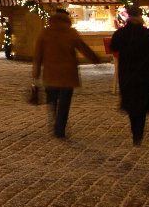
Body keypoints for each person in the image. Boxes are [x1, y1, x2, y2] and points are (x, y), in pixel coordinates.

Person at [32, 8, 100, 139]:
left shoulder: (45, 33)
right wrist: (95, 58)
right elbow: (83, 48)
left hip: (50, 75)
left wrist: (36, 72)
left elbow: (38, 54)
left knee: (53, 103)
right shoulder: (71, 32)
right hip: (68, 75)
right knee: (64, 103)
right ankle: (60, 128)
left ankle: (55, 123)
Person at [109, 5, 149, 146]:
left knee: (131, 103)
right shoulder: (148, 34)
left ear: (128, 17)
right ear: (140, 17)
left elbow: (113, 47)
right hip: (145, 74)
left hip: (127, 74)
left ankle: (135, 131)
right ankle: (139, 133)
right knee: (142, 103)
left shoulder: (121, 33)